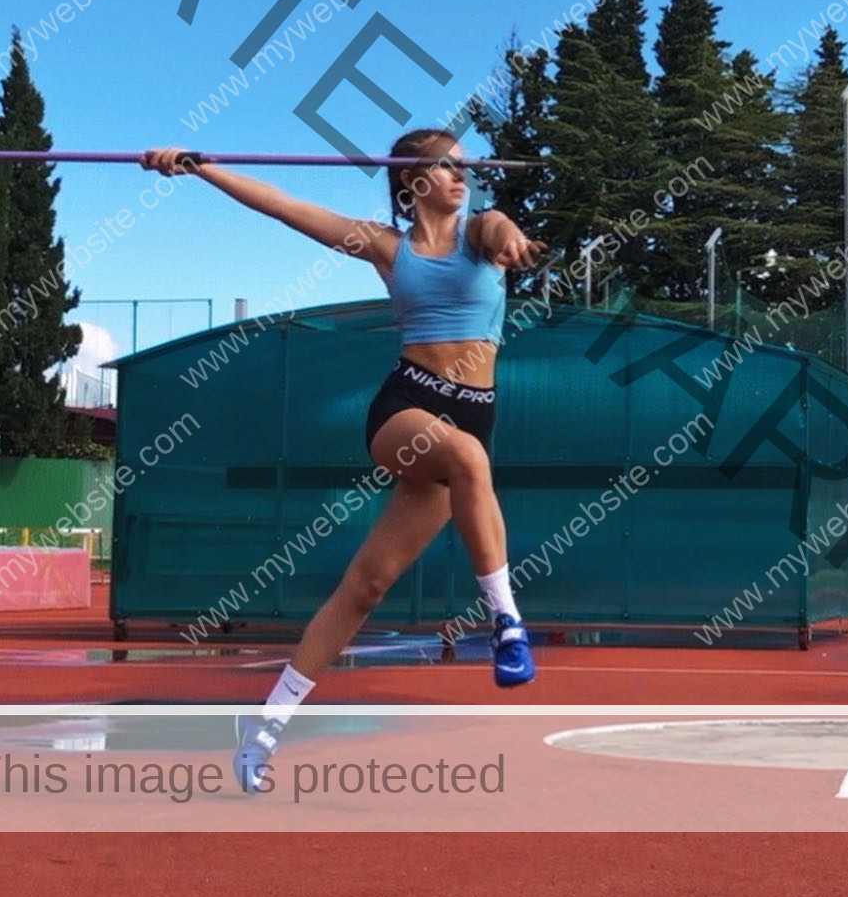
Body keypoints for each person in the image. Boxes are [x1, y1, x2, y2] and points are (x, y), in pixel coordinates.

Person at [139, 128, 546, 791]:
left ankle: (264, 726)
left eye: (464, 168)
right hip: (407, 408)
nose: (460, 179)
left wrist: (513, 239)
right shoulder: (388, 249)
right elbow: (281, 205)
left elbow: (500, 230)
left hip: (471, 413)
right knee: (470, 459)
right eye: (445, 169)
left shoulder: (482, 232)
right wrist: (199, 166)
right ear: (413, 183)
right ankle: (507, 623)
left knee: (367, 585)